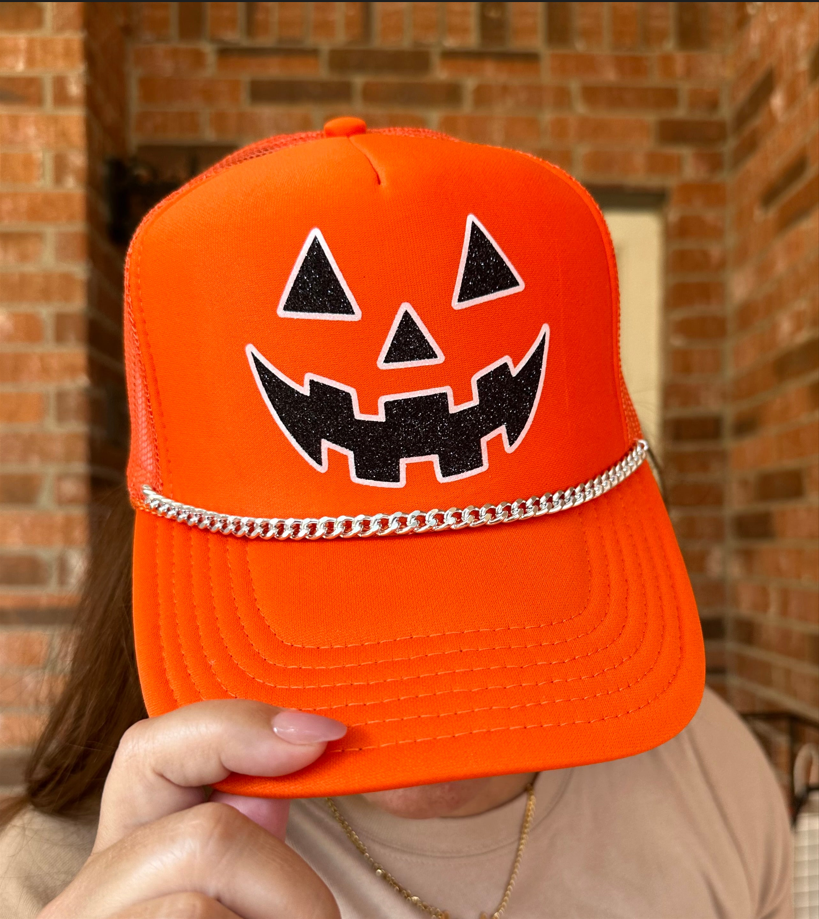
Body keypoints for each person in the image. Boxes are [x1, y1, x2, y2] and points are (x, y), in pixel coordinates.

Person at [1, 120, 792, 919]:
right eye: (322, 295)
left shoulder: (719, 776)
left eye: (478, 278)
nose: (409, 349)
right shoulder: (62, 885)